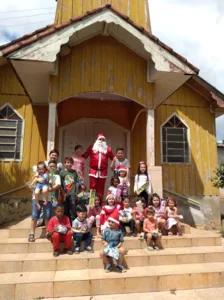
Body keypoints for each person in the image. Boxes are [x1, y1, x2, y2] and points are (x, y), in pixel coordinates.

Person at [82, 133, 114, 198]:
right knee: (92, 188)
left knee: (101, 188)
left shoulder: (108, 149)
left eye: (103, 139)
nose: (101, 141)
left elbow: (113, 158)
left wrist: (118, 164)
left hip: (103, 172)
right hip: (93, 171)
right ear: (97, 140)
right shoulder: (92, 147)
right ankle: (91, 203)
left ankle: (100, 203)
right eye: (100, 139)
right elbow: (85, 156)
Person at [28, 162, 53, 243]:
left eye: (54, 166)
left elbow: (54, 185)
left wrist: (49, 185)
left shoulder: (52, 175)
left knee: (47, 217)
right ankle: (32, 234)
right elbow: (30, 183)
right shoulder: (37, 174)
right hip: (37, 199)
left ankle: (47, 233)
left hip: (47, 199)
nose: (52, 167)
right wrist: (36, 179)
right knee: (35, 216)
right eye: (51, 166)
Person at [60, 157, 79, 222]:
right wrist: (63, 192)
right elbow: (60, 184)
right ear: (64, 164)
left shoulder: (74, 172)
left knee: (73, 207)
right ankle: (66, 222)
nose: (69, 164)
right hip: (65, 193)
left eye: (71, 162)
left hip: (73, 193)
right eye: (68, 162)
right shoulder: (62, 172)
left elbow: (76, 183)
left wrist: (77, 193)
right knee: (65, 207)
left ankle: (73, 221)